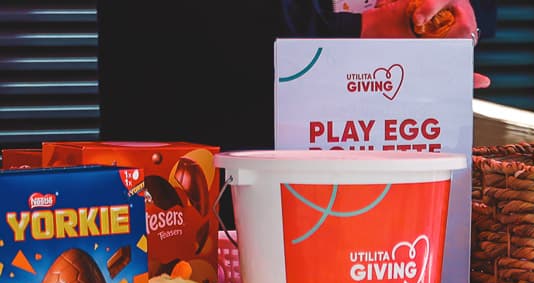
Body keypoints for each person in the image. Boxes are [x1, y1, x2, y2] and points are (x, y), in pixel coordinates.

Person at [97, 0, 484, 151]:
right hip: (207, 159)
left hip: (355, 145)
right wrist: (365, 28)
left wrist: (444, 21)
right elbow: (225, 29)